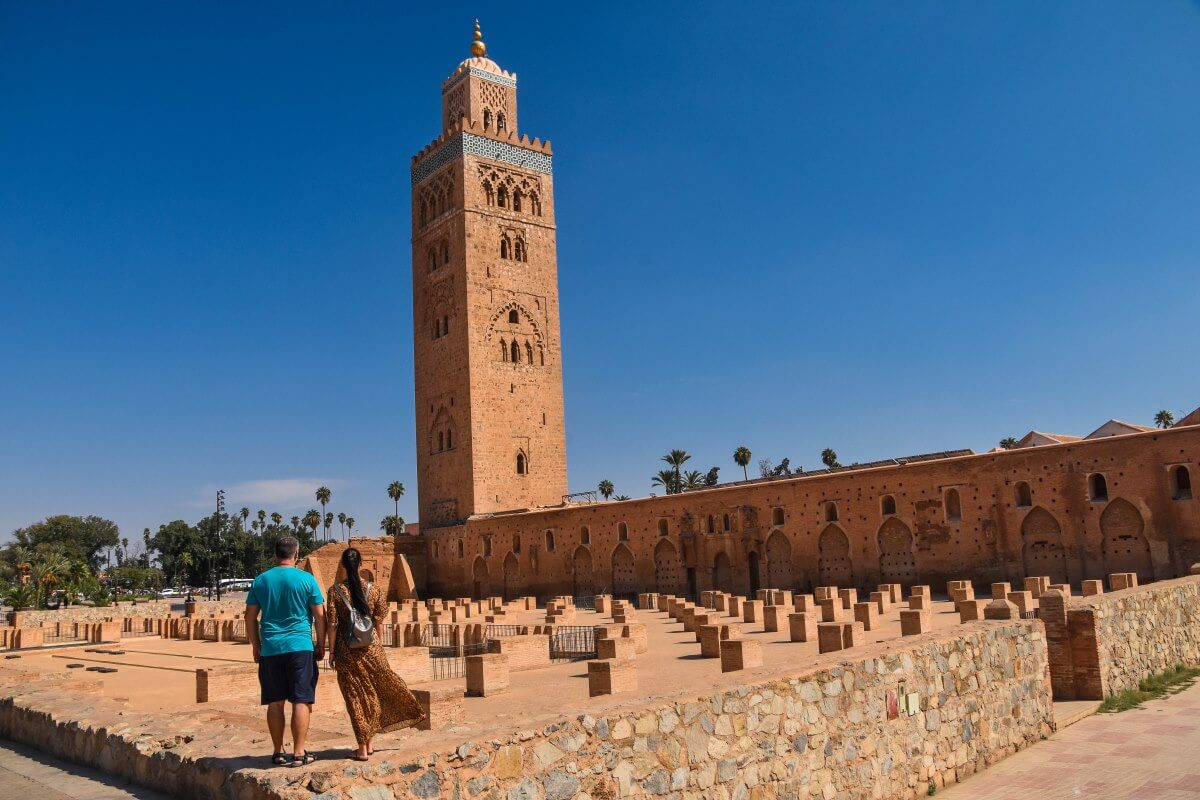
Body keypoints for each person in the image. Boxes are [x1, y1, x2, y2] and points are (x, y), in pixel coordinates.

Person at [326, 547, 425, 760]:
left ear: (343, 565)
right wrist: (377, 646)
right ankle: (369, 745)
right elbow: (379, 622)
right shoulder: (375, 589)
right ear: (361, 564)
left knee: (355, 699)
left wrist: (332, 651)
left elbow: (332, 625)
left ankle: (362, 748)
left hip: (347, 652)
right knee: (373, 695)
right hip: (372, 650)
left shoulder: (335, 592)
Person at [245, 535, 326, 767]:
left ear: (276, 554)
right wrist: (320, 644)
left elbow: (250, 617)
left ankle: (278, 752)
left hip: (271, 648)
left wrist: (256, 645)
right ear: (296, 554)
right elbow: (320, 615)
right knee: (301, 700)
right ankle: (299, 753)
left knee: (275, 702)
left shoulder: (261, 580)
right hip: (300, 646)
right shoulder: (306, 579)